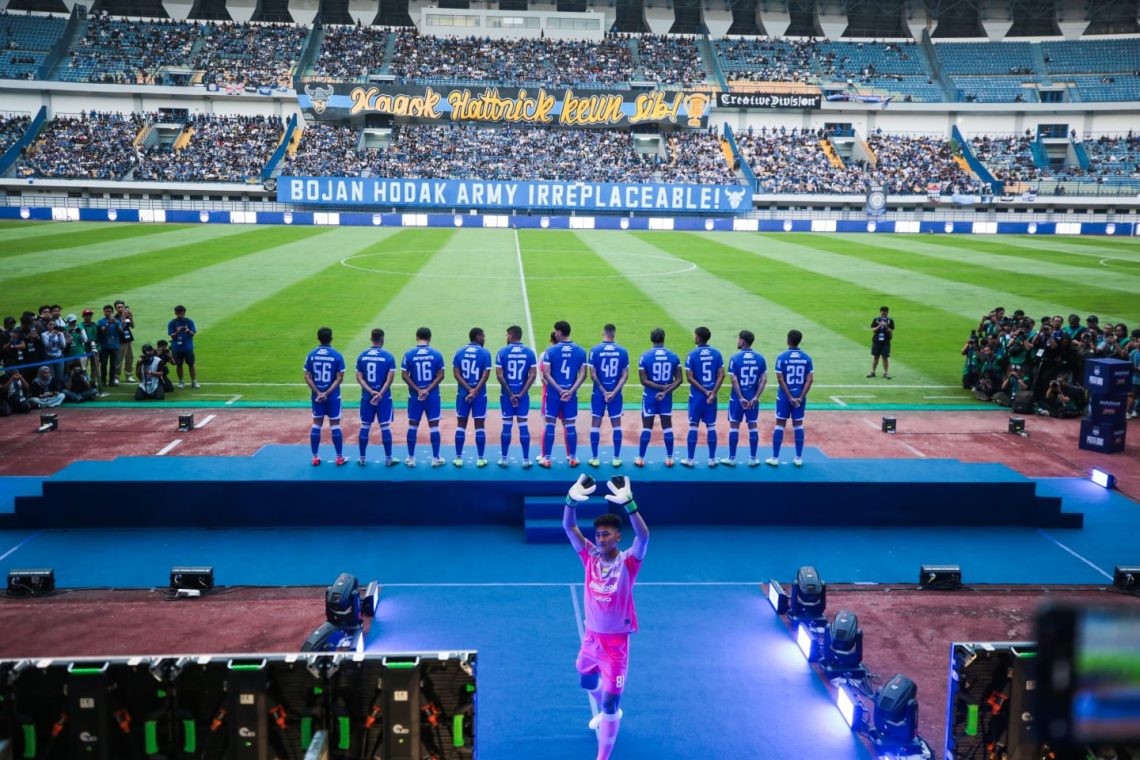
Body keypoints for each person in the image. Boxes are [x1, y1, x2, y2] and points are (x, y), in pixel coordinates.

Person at [563, 474, 648, 760]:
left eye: (607, 534)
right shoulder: (589, 556)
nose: (601, 539)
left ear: (617, 537)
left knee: (611, 704)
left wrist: (630, 505)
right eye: (598, 535)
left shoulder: (629, 562)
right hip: (591, 639)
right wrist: (570, 501)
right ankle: (606, 711)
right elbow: (569, 526)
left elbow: (644, 537)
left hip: (616, 645)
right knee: (586, 682)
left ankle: (603, 753)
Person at [541, 320, 588, 468]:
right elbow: (583, 375)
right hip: (570, 397)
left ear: (560, 332)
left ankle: (547, 459)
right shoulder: (581, 351)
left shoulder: (550, 351)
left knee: (550, 424)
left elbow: (546, 374)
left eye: (556, 331)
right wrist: (570, 391)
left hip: (553, 395)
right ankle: (573, 458)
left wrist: (560, 390)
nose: (555, 333)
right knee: (570, 426)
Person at [635, 328, 681, 468]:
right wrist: (665, 390)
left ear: (651, 339)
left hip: (650, 396)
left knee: (647, 427)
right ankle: (669, 458)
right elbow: (679, 380)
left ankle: (641, 458)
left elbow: (644, 381)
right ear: (664, 338)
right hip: (666, 397)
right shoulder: (673, 356)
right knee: (667, 426)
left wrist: (659, 388)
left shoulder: (644, 357)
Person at [767, 329, 814, 468]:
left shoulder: (782, 357)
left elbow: (780, 379)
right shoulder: (807, 358)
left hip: (784, 397)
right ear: (800, 341)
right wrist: (800, 397)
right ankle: (798, 458)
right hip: (800, 396)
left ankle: (775, 458)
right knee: (798, 425)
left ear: (788, 340)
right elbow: (810, 379)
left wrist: (789, 397)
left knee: (779, 425)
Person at [401, 326, 446, 467]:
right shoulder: (437, 354)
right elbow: (441, 375)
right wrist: (427, 390)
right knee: (434, 426)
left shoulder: (409, 354)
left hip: (415, 397)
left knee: (412, 426)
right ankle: (435, 458)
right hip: (432, 396)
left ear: (416, 337)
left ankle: (411, 458)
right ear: (430, 338)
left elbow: (404, 375)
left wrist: (418, 390)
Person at [722, 330, 767, 467]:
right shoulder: (760, 358)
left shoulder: (735, 358)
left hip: (737, 399)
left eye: (738, 339)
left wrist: (741, 397)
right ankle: (753, 459)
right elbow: (764, 379)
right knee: (753, 426)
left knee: (734, 426)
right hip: (752, 398)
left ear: (742, 341)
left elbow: (734, 380)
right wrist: (755, 397)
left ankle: (732, 458)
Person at [303, 326, 347, 466]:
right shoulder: (337, 355)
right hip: (333, 397)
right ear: (331, 338)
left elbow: (307, 376)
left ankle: (315, 457)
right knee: (335, 426)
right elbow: (339, 378)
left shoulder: (311, 355)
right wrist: (326, 393)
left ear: (318, 338)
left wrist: (318, 392)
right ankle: (339, 457)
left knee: (316, 425)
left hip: (317, 398)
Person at [495, 324, 537, 468]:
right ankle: (525, 460)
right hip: (522, 397)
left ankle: (504, 459)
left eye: (507, 335)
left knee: (506, 426)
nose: (506, 337)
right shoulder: (529, 352)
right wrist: (521, 394)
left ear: (511, 335)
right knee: (523, 425)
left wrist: (510, 394)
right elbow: (533, 375)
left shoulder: (502, 352)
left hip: (506, 396)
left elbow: (499, 375)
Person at [587, 324, 630, 468]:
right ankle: (616, 458)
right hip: (616, 395)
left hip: (598, 394)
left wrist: (604, 392)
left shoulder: (594, 350)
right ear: (614, 334)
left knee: (595, 424)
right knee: (616, 424)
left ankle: (595, 458)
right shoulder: (623, 351)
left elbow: (593, 374)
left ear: (603, 333)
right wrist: (614, 392)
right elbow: (625, 375)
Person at [682, 326, 724, 468]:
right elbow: (721, 375)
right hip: (711, 397)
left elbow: (690, 377)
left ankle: (690, 459)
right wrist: (713, 392)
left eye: (695, 336)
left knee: (693, 425)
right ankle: (712, 459)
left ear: (699, 338)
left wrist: (705, 391)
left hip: (696, 397)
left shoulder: (692, 354)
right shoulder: (717, 354)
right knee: (711, 426)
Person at [355, 328, 398, 466]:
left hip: (367, 398)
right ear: (382, 339)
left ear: (371, 339)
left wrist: (370, 391)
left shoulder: (362, 356)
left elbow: (359, 377)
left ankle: (362, 458)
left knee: (365, 426)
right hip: (384, 398)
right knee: (385, 427)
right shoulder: (388, 356)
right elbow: (390, 379)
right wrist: (380, 394)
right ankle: (388, 459)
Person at [452, 327, 493, 467]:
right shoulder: (485, 353)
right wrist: (475, 391)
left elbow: (456, 374)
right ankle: (480, 459)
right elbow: (485, 375)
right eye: (483, 336)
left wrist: (469, 389)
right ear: (477, 337)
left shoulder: (459, 352)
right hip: (480, 394)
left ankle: (458, 458)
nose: (484, 339)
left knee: (461, 424)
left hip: (463, 394)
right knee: (479, 425)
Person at [168, 305, 199, 389]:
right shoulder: (172, 323)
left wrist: (188, 330)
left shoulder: (189, 322)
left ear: (184, 313)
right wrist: (177, 331)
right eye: (179, 314)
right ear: (175, 313)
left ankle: (194, 381)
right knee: (179, 365)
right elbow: (172, 336)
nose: (181, 315)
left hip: (188, 348)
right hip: (177, 348)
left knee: (191, 364)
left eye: (182, 313)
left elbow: (192, 334)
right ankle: (181, 381)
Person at [95, 304, 123, 387]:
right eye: (106, 311)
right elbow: (103, 331)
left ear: (112, 312)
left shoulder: (117, 321)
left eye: (109, 311)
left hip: (115, 346)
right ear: (103, 312)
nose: (108, 313)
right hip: (104, 347)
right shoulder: (101, 322)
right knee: (103, 364)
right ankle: (103, 380)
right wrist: (108, 323)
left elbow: (121, 332)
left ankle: (112, 381)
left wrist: (116, 324)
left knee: (113, 365)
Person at [867, 305, 894, 379]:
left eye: (885, 312)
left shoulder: (890, 320)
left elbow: (890, 331)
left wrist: (886, 326)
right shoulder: (876, 320)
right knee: (876, 357)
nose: (884, 313)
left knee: (885, 357)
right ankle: (873, 372)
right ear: (880, 312)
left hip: (885, 342)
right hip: (876, 341)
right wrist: (879, 325)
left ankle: (886, 373)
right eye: (882, 312)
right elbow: (873, 330)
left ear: (887, 312)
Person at [115, 301, 136, 383]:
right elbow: (121, 328)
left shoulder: (127, 316)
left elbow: (132, 326)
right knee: (119, 360)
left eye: (121, 307)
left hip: (128, 339)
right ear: (115, 309)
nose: (120, 308)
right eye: (118, 307)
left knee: (129, 358)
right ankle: (116, 376)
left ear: (124, 307)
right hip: (120, 341)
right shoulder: (115, 318)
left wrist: (131, 317)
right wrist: (123, 318)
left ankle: (129, 375)